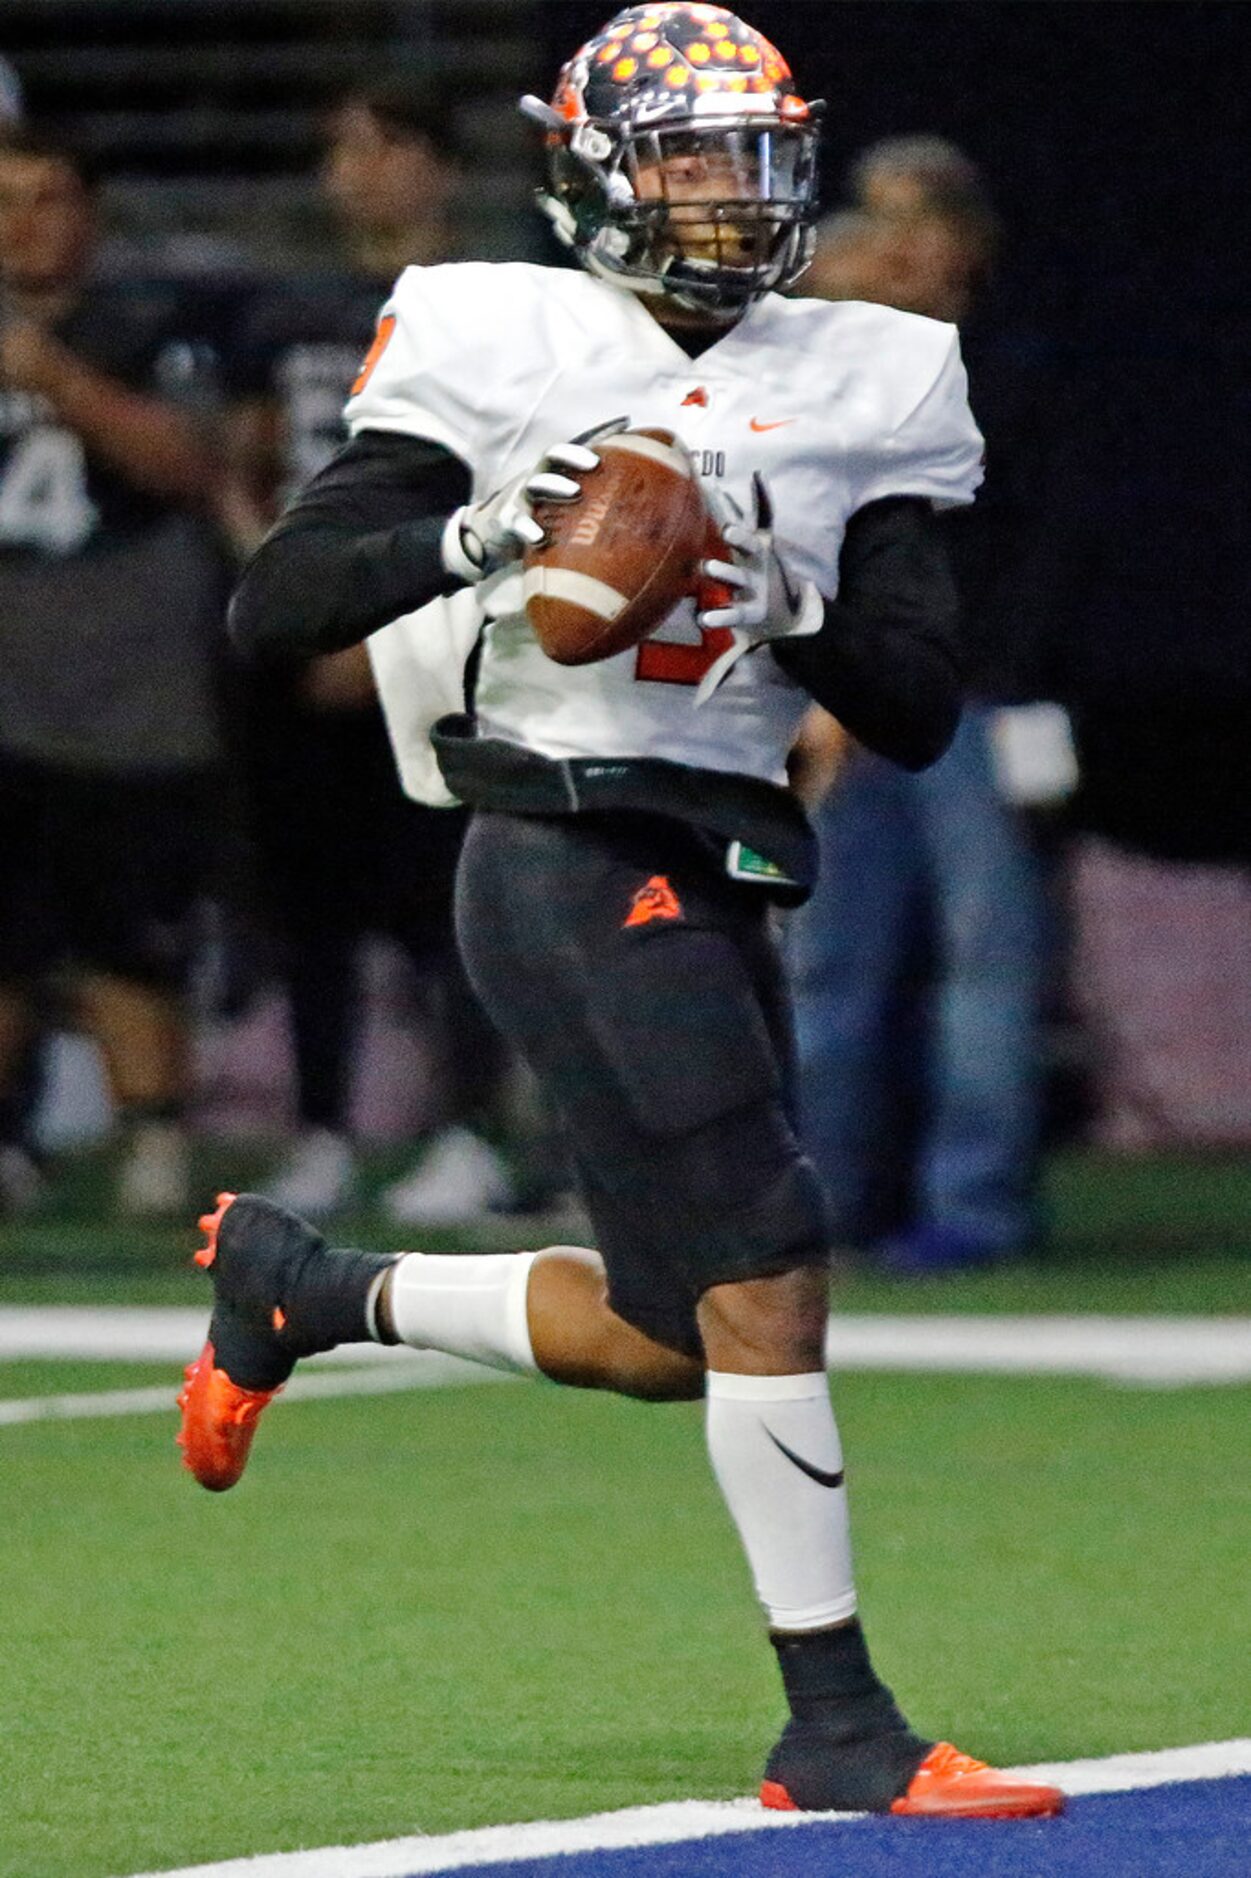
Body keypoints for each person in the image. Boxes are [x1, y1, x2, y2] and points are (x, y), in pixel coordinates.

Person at [180, 4, 1064, 1822]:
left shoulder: (875, 367)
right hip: (561, 835)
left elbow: (907, 699)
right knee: (771, 1260)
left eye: (753, 154)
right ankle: (836, 1724)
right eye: (685, 154)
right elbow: (275, 610)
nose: (728, 193)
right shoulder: (497, 327)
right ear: (589, 169)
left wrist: (778, 594)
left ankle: (306, 1285)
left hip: (725, 842)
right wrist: (485, 537)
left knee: (679, 1336)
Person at [221, 79, 512, 1220]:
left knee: (454, 896)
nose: (358, 171)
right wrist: (299, 597)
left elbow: (513, 482)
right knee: (309, 902)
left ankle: (469, 1131)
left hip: (440, 627)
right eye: (343, 148)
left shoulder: (494, 306)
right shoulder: (280, 310)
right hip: (305, 647)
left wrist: (390, 618)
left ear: (437, 164)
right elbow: (239, 473)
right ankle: (325, 1127)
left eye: (384, 146)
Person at [790, 139, 1068, 1273]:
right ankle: (825, 1201)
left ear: (971, 240)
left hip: (971, 705)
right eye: (877, 217)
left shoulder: (1007, 367)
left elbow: (1015, 546)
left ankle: (977, 1205)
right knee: (831, 961)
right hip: (845, 705)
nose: (898, 242)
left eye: (924, 218)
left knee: (982, 965)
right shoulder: (819, 364)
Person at [0, 128, 224, 1215]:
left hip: (130, 695)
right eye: (5, 201)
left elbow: (189, 464)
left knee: (131, 942)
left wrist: (58, 381)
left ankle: (152, 1145)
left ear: (88, 213)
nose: (23, 222)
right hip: (7, 686)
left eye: (46, 197)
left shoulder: (148, 326)